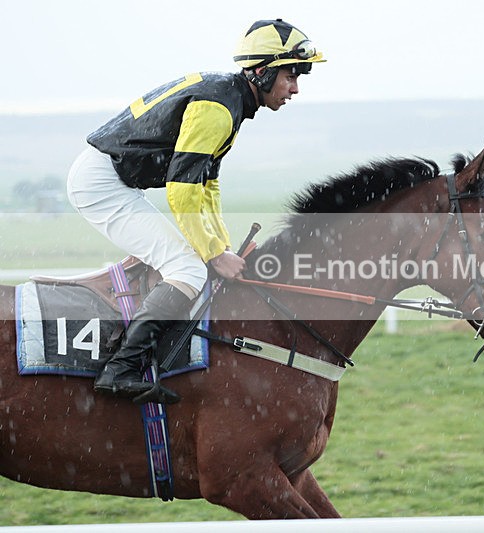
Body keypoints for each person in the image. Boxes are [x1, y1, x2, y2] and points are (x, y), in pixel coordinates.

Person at [66, 19, 325, 402]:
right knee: (186, 267)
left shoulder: (231, 101)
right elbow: (183, 191)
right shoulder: (219, 108)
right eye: (291, 75)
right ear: (262, 71)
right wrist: (212, 254)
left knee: (195, 260)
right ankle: (121, 369)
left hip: (111, 178)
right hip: (101, 185)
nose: (295, 88)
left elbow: (208, 186)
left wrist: (222, 247)